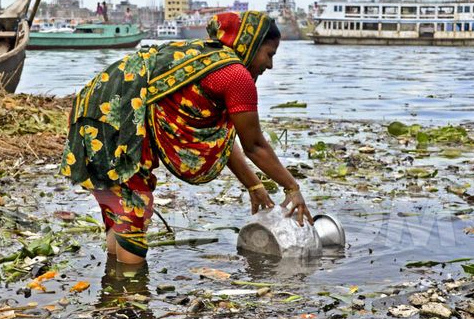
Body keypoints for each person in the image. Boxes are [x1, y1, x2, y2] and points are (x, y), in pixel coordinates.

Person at [60, 11, 313, 265]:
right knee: (133, 213)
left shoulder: (209, 59)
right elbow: (255, 145)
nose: (270, 65)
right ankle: (129, 286)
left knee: (120, 213)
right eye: (269, 54)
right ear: (252, 45)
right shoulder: (236, 75)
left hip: (94, 111)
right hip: (116, 119)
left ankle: (116, 284)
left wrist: (254, 185)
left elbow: (222, 142)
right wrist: (292, 188)